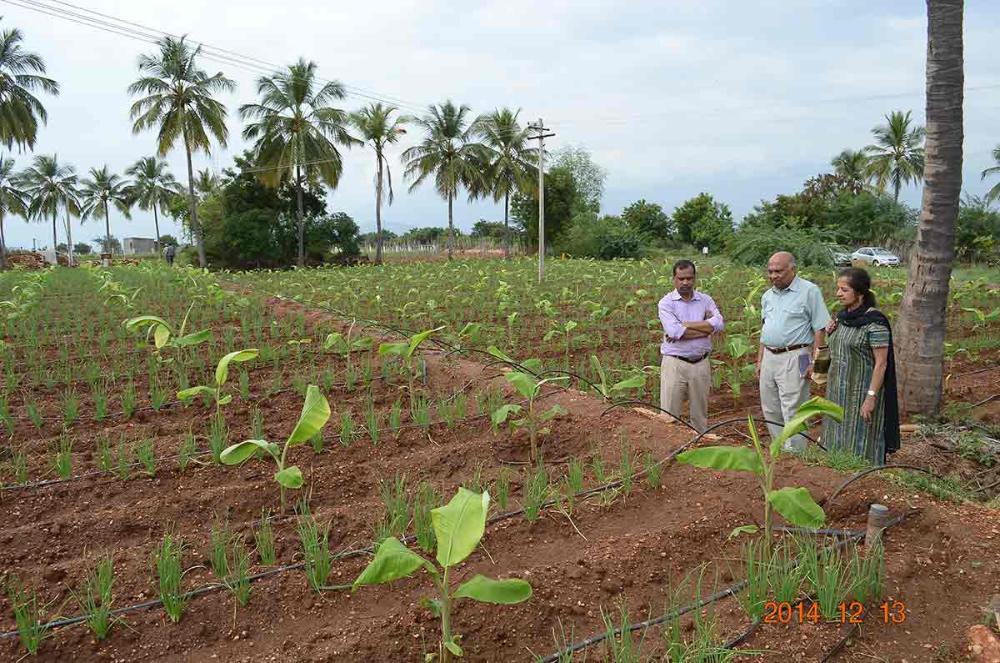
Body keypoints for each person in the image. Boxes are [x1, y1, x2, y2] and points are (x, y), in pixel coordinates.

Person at [822, 268, 899, 465]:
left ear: (860, 293)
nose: (838, 294)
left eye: (844, 290)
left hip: (861, 392)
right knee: (836, 432)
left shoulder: (874, 323)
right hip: (837, 391)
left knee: (860, 437)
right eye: (838, 289)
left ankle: (864, 477)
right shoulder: (841, 318)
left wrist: (870, 397)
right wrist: (829, 333)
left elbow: (882, 364)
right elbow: (835, 349)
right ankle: (835, 469)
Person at [756, 252, 830, 452]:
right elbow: (765, 329)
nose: (773, 276)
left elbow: (820, 328)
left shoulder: (809, 291)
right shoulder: (767, 296)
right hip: (770, 356)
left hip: (798, 355)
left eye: (778, 271)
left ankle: (795, 453)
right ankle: (779, 448)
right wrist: (760, 359)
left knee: (794, 407)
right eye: (770, 271)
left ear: (792, 269)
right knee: (770, 407)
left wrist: (816, 363)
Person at [658, 259, 724, 433]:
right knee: (668, 414)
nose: (685, 282)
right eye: (681, 279)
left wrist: (685, 325)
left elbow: (718, 324)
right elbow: (673, 332)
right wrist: (705, 329)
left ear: (695, 278)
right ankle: (670, 450)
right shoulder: (666, 303)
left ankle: (700, 445)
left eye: (689, 278)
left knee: (700, 414)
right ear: (674, 279)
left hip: (701, 363)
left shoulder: (705, 300)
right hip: (675, 363)